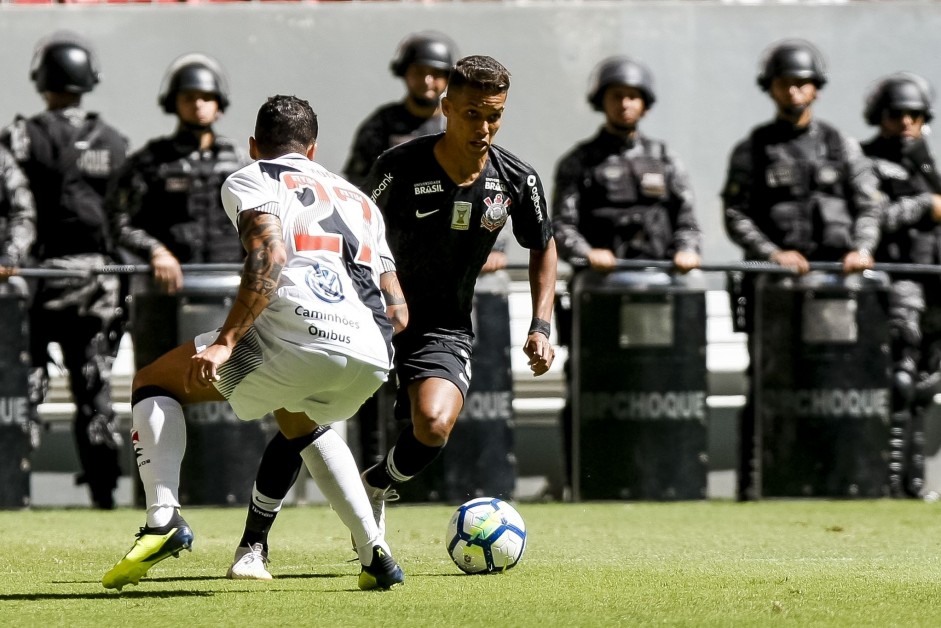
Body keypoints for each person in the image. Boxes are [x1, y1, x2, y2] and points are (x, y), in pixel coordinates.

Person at [226, 55, 557, 580]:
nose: (485, 127)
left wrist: (541, 324)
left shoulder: (516, 179)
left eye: (495, 115)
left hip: (442, 326)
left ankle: (379, 481)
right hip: (369, 313)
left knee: (433, 425)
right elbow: (353, 220)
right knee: (301, 421)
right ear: (446, 108)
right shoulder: (398, 165)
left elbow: (543, 246)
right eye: (473, 114)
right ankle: (253, 543)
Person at [102, 95, 408, 592]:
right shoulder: (361, 200)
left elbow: (270, 253)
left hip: (302, 333)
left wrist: (225, 342)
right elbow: (398, 308)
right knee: (298, 417)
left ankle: (163, 519)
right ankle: (375, 552)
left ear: (253, 146)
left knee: (152, 381)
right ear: (313, 149)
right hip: (374, 354)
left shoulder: (253, 177)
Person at [721, 39, 883, 501]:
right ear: (771, 89)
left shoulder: (841, 145)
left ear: (816, 89)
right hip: (777, 293)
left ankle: (839, 480)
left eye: (803, 84)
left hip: (837, 290)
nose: (794, 92)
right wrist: (773, 253)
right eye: (785, 84)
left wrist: (863, 248)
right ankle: (754, 487)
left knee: (839, 383)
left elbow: (869, 204)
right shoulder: (753, 148)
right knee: (767, 384)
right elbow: (736, 214)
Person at [552, 55, 703, 492]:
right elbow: (560, 228)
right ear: (603, 102)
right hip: (599, 300)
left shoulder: (664, 158)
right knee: (590, 390)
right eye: (616, 96)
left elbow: (689, 221)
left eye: (633, 97)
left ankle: (662, 479)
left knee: (661, 387)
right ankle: (579, 482)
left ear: (645, 104)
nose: (624, 105)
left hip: (660, 300)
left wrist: (687, 251)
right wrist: (586, 253)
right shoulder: (579, 161)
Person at [0, 30, 129, 510]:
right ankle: (104, 495)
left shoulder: (22, 137)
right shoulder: (116, 142)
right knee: (94, 392)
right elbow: (122, 222)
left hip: (33, 285)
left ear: (41, 78)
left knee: (25, 391)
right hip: (99, 286)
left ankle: (15, 493)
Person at [109, 53, 251, 295]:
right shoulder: (150, 163)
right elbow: (117, 222)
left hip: (232, 288)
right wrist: (155, 251)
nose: (198, 104)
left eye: (206, 97)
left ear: (218, 103)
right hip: (168, 291)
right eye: (188, 97)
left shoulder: (240, 163)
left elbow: (265, 222)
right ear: (174, 102)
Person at [860, 72, 941, 498]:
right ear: (881, 117)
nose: (906, 122)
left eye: (915, 115)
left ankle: (915, 482)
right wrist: (924, 207)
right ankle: (889, 482)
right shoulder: (865, 161)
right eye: (897, 115)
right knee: (900, 381)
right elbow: (870, 220)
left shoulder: (926, 164)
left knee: (926, 386)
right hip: (896, 281)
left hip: (934, 285)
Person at [341, 31, 456, 188]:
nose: (427, 81)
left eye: (436, 74)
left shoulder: (457, 123)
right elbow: (358, 183)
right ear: (404, 73)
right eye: (419, 72)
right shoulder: (381, 124)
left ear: (448, 78)